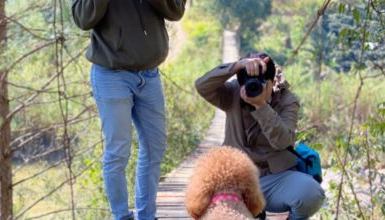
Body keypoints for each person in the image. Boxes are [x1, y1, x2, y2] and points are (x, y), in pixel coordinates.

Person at [72, 1, 186, 220]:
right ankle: (121, 216)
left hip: (150, 74)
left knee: (155, 147)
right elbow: (83, 19)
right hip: (111, 74)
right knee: (118, 151)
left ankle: (146, 216)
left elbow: (176, 11)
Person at [195, 52, 325, 219]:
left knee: (312, 194)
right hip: (237, 180)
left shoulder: (287, 100)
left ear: (272, 82)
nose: (252, 88)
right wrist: (237, 65)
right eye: (248, 83)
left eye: (260, 83)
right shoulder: (233, 92)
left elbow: (282, 142)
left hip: (274, 178)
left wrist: (261, 106)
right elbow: (202, 86)